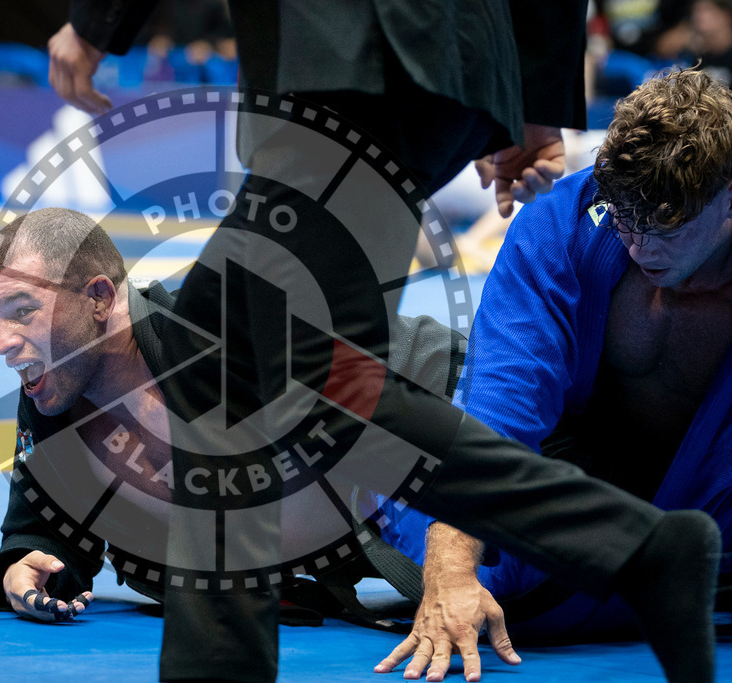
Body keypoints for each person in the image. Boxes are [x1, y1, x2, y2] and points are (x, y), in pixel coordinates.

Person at [44, 3, 722, 683]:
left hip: (358, 59)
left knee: (307, 384)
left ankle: (639, 548)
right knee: (227, 359)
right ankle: (217, 666)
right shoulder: (565, 224)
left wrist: (98, 23)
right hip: (415, 65)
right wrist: (535, 101)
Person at [379, 65, 732, 651]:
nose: (640, 246)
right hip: (558, 460)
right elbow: (500, 412)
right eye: (626, 219)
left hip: (703, 497)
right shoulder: (563, 222)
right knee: (482, 573)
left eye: (667, 229)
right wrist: (452, 566)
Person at [0, 206, 466, 624]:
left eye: (23, 311)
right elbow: (45, 529)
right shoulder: (54, 396)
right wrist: (24, 568)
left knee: (499, 586)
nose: (1, 343)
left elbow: (420, 366)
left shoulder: (219, 335)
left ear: (99, 298)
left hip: (453, 420)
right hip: (366, 542)